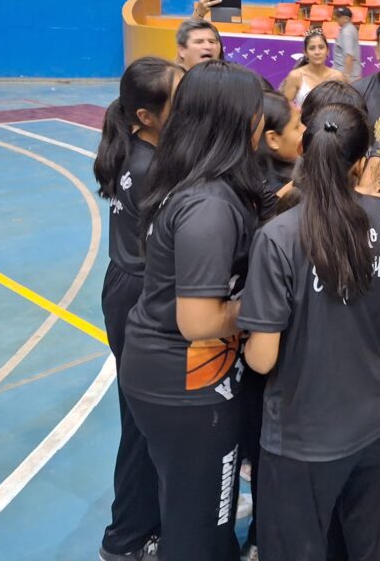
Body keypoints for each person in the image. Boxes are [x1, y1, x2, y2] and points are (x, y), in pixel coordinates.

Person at [120, 61, 263, 560]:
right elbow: (199, 321)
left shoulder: (188, 178)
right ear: (237, 122)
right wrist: (262, 303)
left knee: (188, 512)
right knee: (201, 526)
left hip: (171, 377)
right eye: (257, 112)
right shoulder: (209, 206)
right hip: (186, 386)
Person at [239, 103, 380, 561]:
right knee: (369, 545)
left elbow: (264, 358)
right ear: (360, 164)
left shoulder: (278, 237)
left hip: (303, 432)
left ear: (303, 155)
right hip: (373, 420)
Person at [93, 57, 184, 561]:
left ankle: (137, 529)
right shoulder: (151, 169)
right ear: (147, 116)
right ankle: (126, 537)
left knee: (139, 418)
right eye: (178, 95)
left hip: (124, 286)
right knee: (142, 424)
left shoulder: (136, 149)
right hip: (138, 295)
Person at [283, 29, 346, 107]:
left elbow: (345, 107)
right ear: (305, 53)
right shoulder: (296, 76)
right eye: (312, 48)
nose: (317, 52)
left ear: (328, 51)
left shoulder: (337, 76)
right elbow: (285, 107)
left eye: (321, 47)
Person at [332, 6, 361, 82]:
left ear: (346, 18)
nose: (336, 18)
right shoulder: (350, 29)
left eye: (339, 16)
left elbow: (349, 56)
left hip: (344, 74)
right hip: (348, 73)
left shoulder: (346, 32)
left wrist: (346, 76)